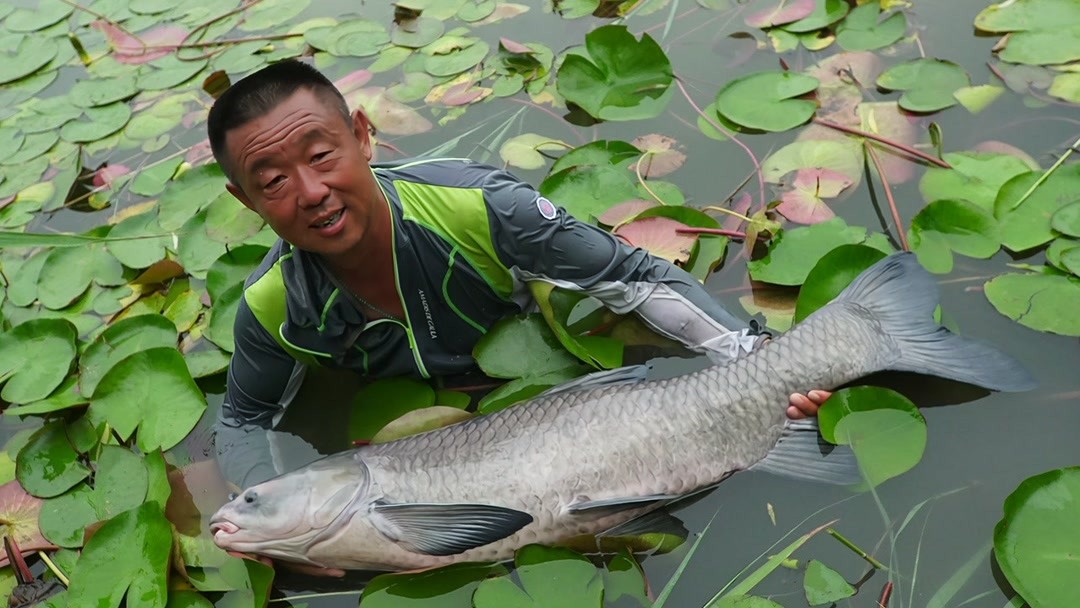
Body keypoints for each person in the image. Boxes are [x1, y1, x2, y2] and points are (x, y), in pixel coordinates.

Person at [206, 59, 829, 493]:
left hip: (548, 381)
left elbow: (632, 276)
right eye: (275, 181)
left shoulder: (478, 205)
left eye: (321, 155)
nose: (312, 192)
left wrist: (754, 359)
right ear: (245, 200)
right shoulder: (271, 307)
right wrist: (266, 503)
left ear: (363, 136)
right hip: (425, 442)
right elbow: (241, 419)